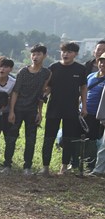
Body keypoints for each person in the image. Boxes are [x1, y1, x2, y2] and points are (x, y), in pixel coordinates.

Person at [4, 44, 52, 174]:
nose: (35, 57)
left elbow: (42, 93)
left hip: (32, 110)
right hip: (18, 108)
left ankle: (27, 166)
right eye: (33, 54)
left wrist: (39, 112)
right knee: (11, 137)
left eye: (38, 54)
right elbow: (15, 92)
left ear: (44, 56)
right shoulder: (23, 72)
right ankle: (7, 164)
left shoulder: (46, 73)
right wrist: (12, 111)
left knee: (31, 139)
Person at [42, 42, 88, 175]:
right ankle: (45, 167)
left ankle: (64, 166)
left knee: (68, 139)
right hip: (53, 108)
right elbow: (49, 86)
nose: (65, 54)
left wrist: (84, 106)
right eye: (63, 51)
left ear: (75, 54)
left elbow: (83, 88)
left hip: (71, 109)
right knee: (49, 138)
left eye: (69, 52)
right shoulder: (53, 67)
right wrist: (45, 94)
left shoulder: (80, 69)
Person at [87, 56, 105, 177]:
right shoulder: (91, 76)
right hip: (88, 113)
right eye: (101, 62)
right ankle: (94, 167)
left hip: (98, 115)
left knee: (100, 143)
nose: (102, 64)